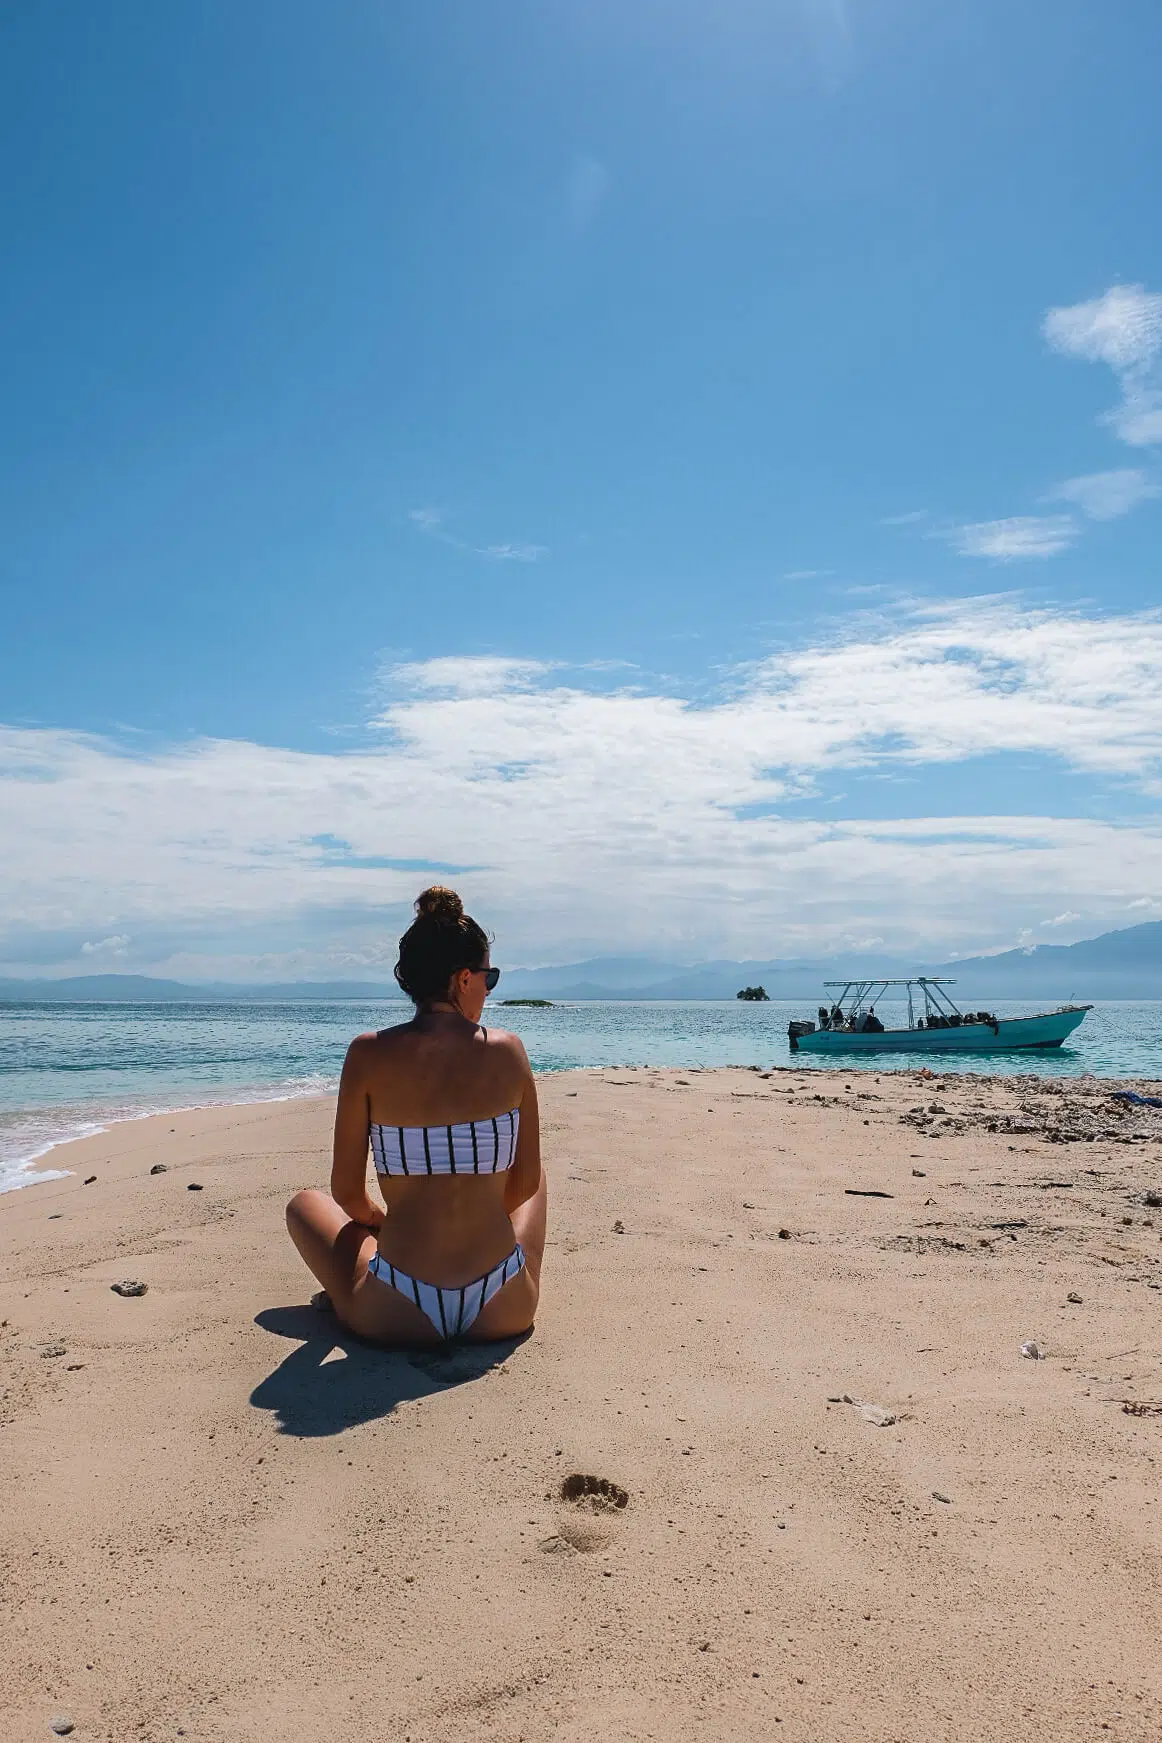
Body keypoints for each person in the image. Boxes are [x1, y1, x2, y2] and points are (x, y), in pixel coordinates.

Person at [285, 887, 546, 1345]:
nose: (489, 988)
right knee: (538, 1180)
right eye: (491, 977)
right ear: (464, 978)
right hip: (503, 1305)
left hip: (396, 1308)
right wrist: (476, 1213)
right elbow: (523, 1186)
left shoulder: (368, 1054)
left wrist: (388, 1221)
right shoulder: (508, 1052)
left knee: (304, 1205)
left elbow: (347, 1193)